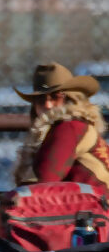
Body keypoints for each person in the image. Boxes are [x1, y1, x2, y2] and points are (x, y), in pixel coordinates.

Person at [12, 62, 109, 191]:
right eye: (40, 100)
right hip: (88, 206)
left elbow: (43, 183)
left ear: (69, 99)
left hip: (94, 208)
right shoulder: (76, 125)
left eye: (55, 97)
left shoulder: (69, 127)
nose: (47, 105)